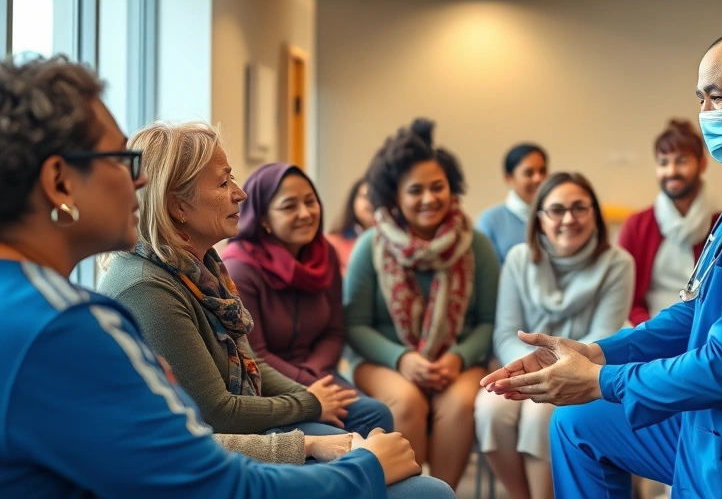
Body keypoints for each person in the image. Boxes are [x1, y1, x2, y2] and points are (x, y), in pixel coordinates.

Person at [0, 55, 454, 498]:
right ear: (60, 182)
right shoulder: (66, 325)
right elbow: (213, 475)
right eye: (122, 161)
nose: (139, 182)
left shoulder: (47, 308)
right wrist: (364, 468)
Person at [481, 25, 722, 498]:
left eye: (715, 98)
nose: (705, 114)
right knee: (577, 424)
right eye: (701, 99)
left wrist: (604, 381)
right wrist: (601, 353)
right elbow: (701, 307)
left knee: (589, 409)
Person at [100, 122, 361, 445]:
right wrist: (308, 403)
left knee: (366, 415)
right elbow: (216, 414)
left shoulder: (204, 268)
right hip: (215, 448)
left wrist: (310, 396)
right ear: (178, 206)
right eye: (224, 183)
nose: (241, 193)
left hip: (239, 429)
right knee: (420, 487)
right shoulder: (147, 289)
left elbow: (251, 362)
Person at [345, 118, 500, 490]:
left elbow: (488, 320)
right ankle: (407, 494)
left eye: (438, 187)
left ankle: (439, 494)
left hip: (457, 360)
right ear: (395, 196)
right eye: (416, 190)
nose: (429, 199)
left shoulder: (476, 244)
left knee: (461, 404)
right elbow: (355, 325)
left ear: (452, 188)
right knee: (407, 401)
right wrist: (402, 358)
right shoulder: (372, 245)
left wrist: (457, 357)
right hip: (383, 359)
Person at [475, 172, 634, 499]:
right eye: (557, 210)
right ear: (539, 218)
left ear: (595, 213)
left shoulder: (618, 262)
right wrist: (525, 371)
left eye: (579, 208)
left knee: (539, 414)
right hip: (520, 364)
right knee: (490, 411)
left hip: (581, 371)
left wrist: (552, 372)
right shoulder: (518, 260)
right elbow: (505, 332)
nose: (568, 219)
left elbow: (602, 335)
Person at [222, 163, 394, 437]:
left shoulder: (325, 254)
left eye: (310, 202)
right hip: (270, 388)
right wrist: (307, 386)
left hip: (318, 375)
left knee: (377, 413)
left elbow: (335, 331)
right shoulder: (240, 268)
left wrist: (314, 373)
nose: (305, 213)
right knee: (336, 437)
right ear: (264, 217)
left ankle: (372, 479)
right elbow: (255, 355)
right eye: (289, 206)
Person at [618, 119, 719, 327]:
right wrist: (651, 332)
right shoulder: (636, 226)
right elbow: (625, 299)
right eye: (663, 162)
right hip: (647, 330)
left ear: (702, 164)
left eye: (681, 161)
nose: (671, 171)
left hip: (703, 331)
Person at [477, 143, 549, 264]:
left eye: (542, 171)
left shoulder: (557, 216)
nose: (538, 179)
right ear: (509, 178)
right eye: (529, 173)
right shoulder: (490, 220)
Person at [327, 178, 376, 276]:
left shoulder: (392, 241)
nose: (370, 202)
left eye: (375, 197)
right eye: (365, 196)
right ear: (353, 201)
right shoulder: (332, 242)